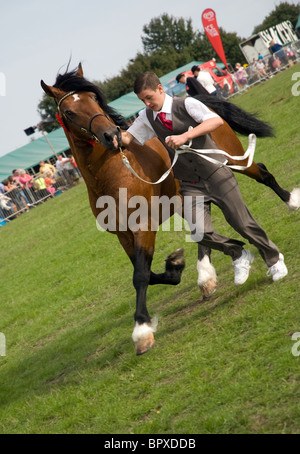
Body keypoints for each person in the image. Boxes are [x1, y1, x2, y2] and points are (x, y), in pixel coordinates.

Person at [120, 71, 288, 286]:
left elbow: (215, 121)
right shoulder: (146, 116)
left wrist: (185, 136)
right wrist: (109, 135)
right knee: (199, 233)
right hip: (190, 183)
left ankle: (274, 259)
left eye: (149, 97)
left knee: (242, 223)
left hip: (216, 173)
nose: (146, 103)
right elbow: (128, 137)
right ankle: (239, 254)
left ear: (160, 89)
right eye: (142, 100)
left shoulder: (187, 104)